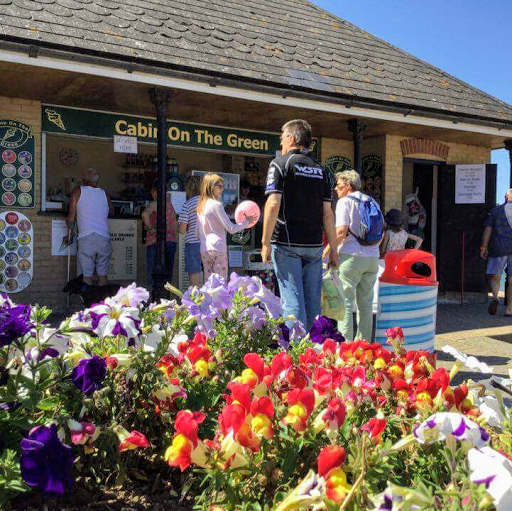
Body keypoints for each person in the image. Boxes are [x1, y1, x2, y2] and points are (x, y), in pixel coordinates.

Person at [261, 119, 339, 330]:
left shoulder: (279, 164)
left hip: (286, 243)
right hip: (314, 246)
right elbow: (328, 215)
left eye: (282, 138)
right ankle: (313, 353)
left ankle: (296, 354)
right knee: (313, 304)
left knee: (291, 301)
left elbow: (273, 203)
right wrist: (334, 250)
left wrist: (265, 242)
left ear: (293, 139)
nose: (281, 143)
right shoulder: (323, 171)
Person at [326, 170, 380, 341]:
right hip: (372, 258)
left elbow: (341, 231)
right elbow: (382, 233)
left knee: (346, 302)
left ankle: (346, 348)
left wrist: (327, 251)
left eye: (339, 186)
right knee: (366, 303)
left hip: (351, 258)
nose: (336, 189)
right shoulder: (373, 201)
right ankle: (364, 347)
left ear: (348, 186)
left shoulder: (345, 202)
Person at [197, 173, 257, 281]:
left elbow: (197, 233)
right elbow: (231, 228)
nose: (222, 189)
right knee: (220, 283)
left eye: (222, 186)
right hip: (218, 248)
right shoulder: (217, 205)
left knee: (208, 283)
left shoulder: (201, 205)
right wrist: (247, 222)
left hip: (204, 248)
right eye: (219, 186)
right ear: (211, 187)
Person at [67, 167, 114, 286]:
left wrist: (69, 232)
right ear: (96, 181)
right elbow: (112, 211)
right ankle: (104, 302)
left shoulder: (77, 191)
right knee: (102, 274)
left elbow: (71, 214)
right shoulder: (105, 194)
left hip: (86, 237)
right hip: (103, 237)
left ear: (83, 180)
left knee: (86, 275)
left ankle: (87, 304)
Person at [480, 188, 512, 316]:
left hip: (499, 248)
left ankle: (495, 297)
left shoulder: (496, 211)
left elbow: (488, 230)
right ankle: (510, 309)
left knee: (495, 275)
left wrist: (483, 247)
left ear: (506, 197)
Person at [142, 182, 177, 287]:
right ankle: (166, 296)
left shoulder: (155, 203)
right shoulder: (170, 205)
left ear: (154, 192)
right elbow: (175, 225)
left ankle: (152, 297)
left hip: (155, 241)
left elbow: (144, 214)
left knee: (152, 273)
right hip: (171, 241)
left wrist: (151, 228)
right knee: (168, 273)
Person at [178, 175, 202, 287]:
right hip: (208, 243)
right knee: (209, 272)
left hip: (192, 243)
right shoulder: (210, 204)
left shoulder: (187, 205)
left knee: (194, 272)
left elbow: (182, 230)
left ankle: (196, 300)